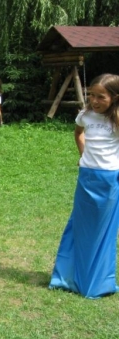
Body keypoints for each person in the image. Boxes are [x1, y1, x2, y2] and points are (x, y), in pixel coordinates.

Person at [49, 74, 119, 299]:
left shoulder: (117, 119)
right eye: (92, 95)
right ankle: (69, 277)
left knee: (101, 230)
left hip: (109, 180)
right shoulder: (85, 115)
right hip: (87, 177)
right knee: (80, 226)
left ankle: (95, 282)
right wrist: (83, 155)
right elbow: (79, 132)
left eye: (101, 97)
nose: (95, 101)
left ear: (115, 97)